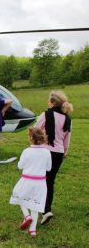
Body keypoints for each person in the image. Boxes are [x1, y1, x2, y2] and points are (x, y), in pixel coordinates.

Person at [35, 90, 73, 225]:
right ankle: (46, 209)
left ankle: (38, 206)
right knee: (49, 181)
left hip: (44, 151)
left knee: (38, 179)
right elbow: (67, 139)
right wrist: (64, 152)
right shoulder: (67, 118)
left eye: (48, 100)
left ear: (52, 102)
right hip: (58, 153)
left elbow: (36, 130)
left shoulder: (46, 115)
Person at [10, 127, 52, 238]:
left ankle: (27, 216)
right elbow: (48, 168)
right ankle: (32, 230)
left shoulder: (27, 151)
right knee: (35, 206)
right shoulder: (47, 152)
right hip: (40, 183)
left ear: (31, 138)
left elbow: (20, 166)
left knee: (19, 197)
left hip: (27, 180)